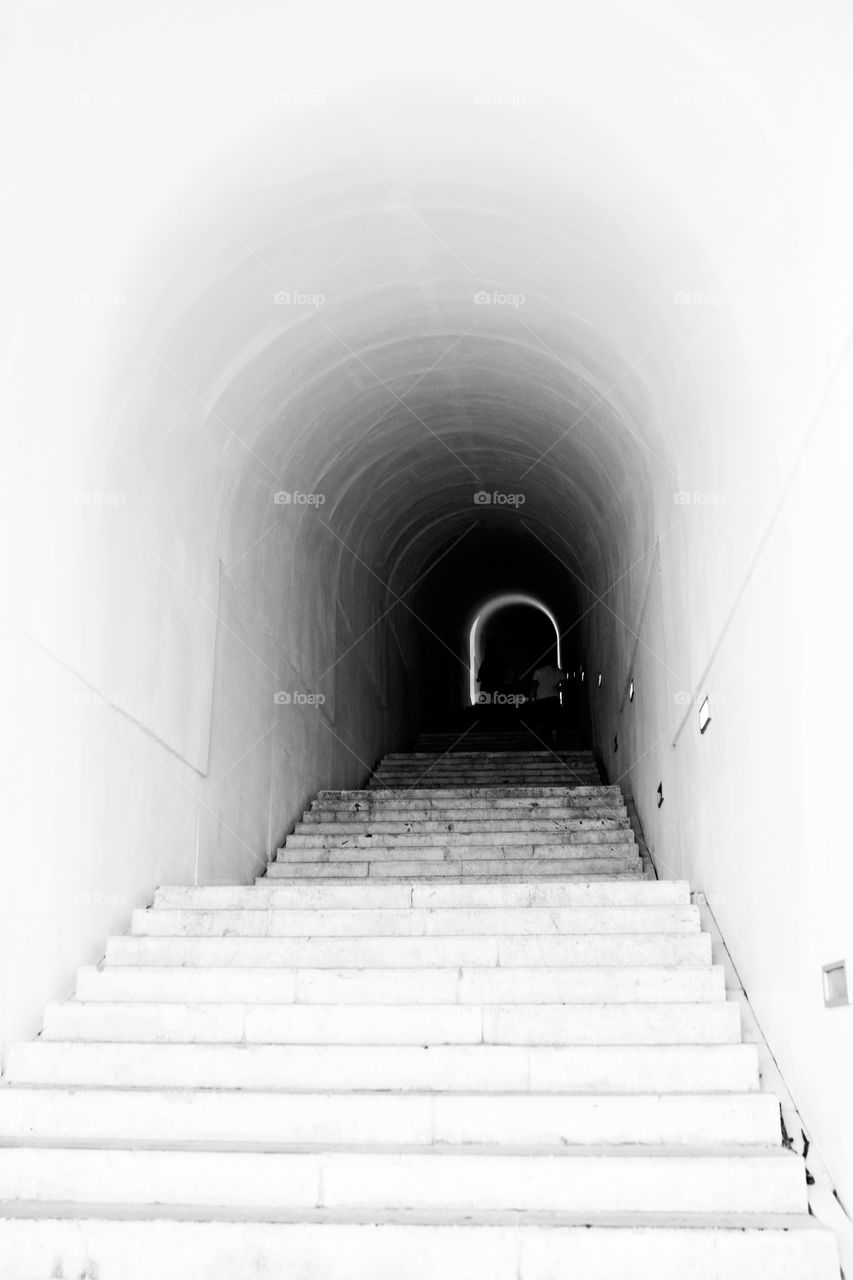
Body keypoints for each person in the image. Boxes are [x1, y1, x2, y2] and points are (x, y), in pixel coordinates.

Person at [530, 661, 566, 745]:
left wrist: (531, 696)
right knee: (554, 721)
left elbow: (534, 686)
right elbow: (564, 685)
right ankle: (554, 742)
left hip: (541, 699)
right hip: (554, 698)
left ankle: (540, 741)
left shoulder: (538, 672)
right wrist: (556, 689)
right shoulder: (559, 672)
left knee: (540, 720)